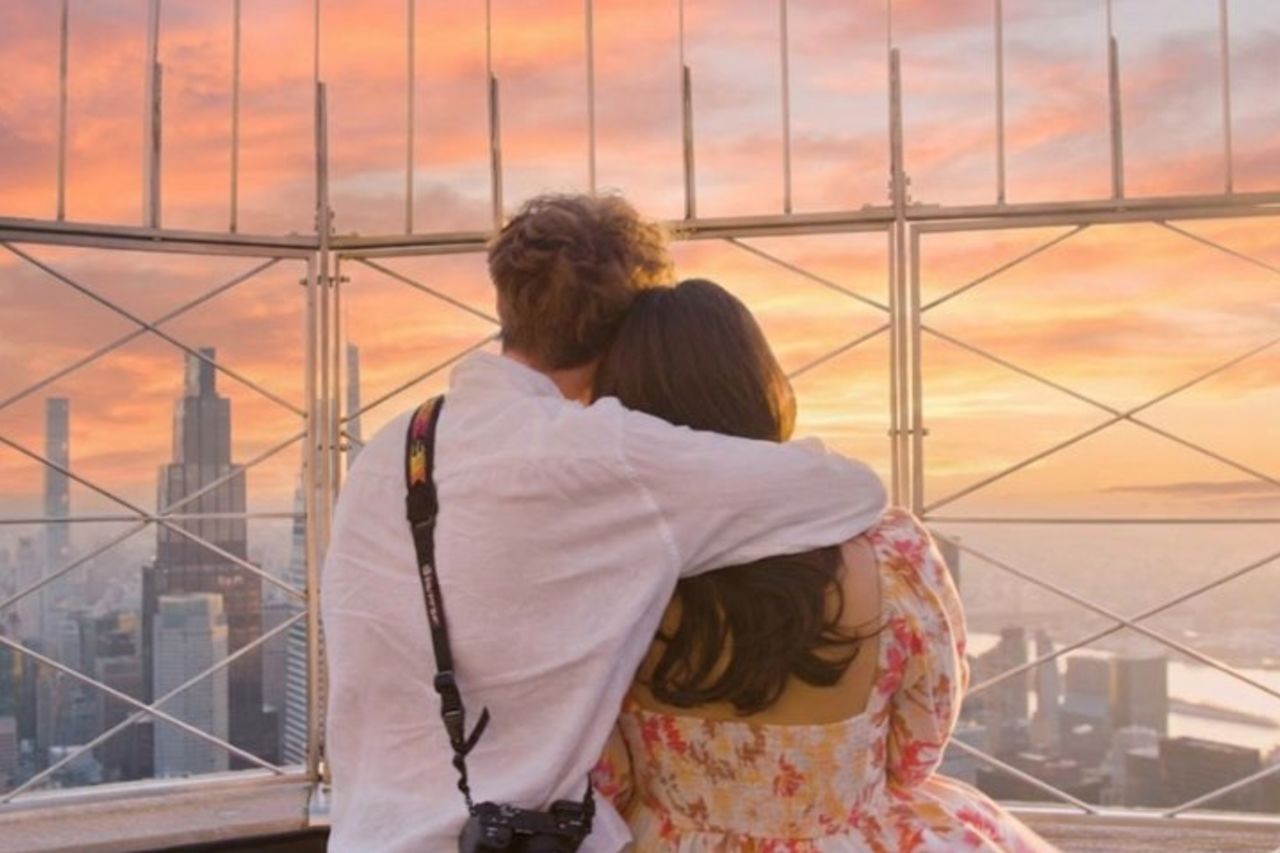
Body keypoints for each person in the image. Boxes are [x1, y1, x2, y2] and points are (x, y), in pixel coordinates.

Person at [321, 195, 888, 852]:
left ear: (508, 303)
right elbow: (848, 489)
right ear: (628, 329)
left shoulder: (399, 444)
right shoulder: (604, 455)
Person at [591, 280, 1057, 852]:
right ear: (760, 386)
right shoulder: (893, 557)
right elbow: (916, 755)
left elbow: (605, 774)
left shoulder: (604, 569)